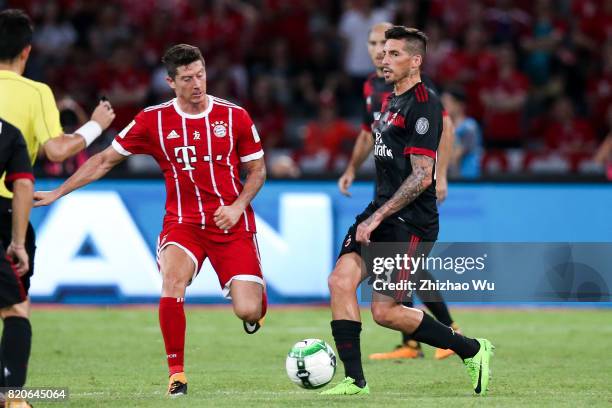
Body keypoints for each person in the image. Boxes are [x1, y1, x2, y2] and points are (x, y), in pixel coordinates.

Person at [33, 44, 268, 397]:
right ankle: (177, 374)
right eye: (187, 78)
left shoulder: (234, 116)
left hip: (230, 223)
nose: (197, 84)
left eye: (200, 74)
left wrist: (237, 206)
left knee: (248, 310)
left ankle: (254, 309)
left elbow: (257, 170)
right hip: (183, 223)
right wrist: (57, 192)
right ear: (170, 82)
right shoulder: (152, 120)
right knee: (172, 279)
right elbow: (103, 161)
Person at [323, 26, 493, 396]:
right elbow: (374, 142)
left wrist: (378, 217)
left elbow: (421, 176)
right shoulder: (388, 99)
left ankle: (473, 349)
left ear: (415, 61)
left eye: (394, 54)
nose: (384, 59)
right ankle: (354, 382)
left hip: (410, 221)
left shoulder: (424, 103)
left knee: (385, 313)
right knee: (339, 282)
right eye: (383, 52)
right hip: (381, 208)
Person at [0, 9, 115, 397]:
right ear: (27, 52)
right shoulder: (35, 93)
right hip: (6, 211)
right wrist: (96, 124)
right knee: (16, 310)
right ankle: (12, 397)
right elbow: (56, 149)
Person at [338, 22, 460, 361]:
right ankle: (412, 345)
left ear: (413, 59)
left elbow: (443, 131)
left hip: (407, 210)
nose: (380, 52)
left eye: (390, 48)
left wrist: (442, 174)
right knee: (351, 284)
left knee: (400, 287)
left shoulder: (421, 96)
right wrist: (351, 168)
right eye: (376, 44)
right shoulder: (378, 91)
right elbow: (369, 133)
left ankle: (455, 339)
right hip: (386, 204)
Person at [0, 119, 34, 408]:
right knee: (15, 310)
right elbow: (23, 183)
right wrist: (18, 243)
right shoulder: (8, 132)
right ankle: (14, 399)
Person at [441, 88, 483, 179]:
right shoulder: (442, 127)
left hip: (467, 179)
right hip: (448, 180)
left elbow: (455, 156)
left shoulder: (469, 127)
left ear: (459, 105)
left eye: (446, 103)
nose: (442, 107)